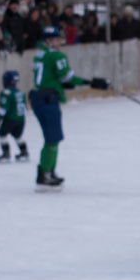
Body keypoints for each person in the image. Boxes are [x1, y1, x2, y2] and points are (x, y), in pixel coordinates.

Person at [29, 26, 109, 189]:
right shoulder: (56, 55)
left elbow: (49, 76)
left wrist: (58, 84)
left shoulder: (39, 53)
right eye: (56, 39)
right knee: (53, 138)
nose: (60, 42)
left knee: (53, 138)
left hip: (39, 97)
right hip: (47, 99)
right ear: (48, 41)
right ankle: (44, 174)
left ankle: (49, 171)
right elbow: (68, 77)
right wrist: (92, 82)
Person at [0, 70, 29, 164]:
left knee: (2, 133)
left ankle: (6, 154)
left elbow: (3, 107)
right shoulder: (20, 92)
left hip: (11, 119)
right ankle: (24, 152)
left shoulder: (6, 92)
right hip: (21, 119)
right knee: (17, 135)